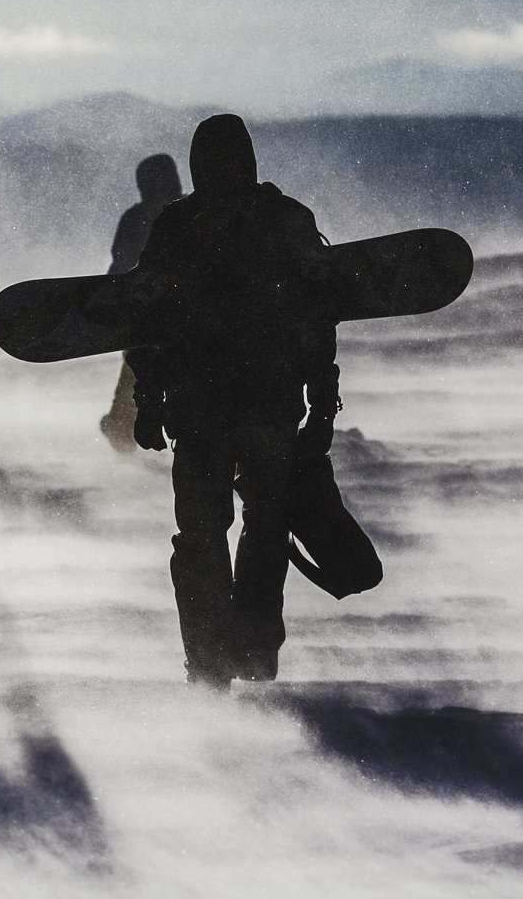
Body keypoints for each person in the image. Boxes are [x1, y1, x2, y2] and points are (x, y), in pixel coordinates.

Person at [126, 115, 336, 689]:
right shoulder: (283, 219)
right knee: (260, 526)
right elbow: (318, 319)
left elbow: (143, 317)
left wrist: (148, 399)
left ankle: (216, 664)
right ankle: (245, 655)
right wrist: (322, 405)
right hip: (253, 405)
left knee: (211, 533)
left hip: (211, 408)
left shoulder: (182, 224)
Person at [99, 153, 184, 451]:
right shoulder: (193, 211)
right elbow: (120, 268)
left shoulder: (140, 218)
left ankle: (121, 432)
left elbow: (119, 269)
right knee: (138, 377)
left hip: (152, 318)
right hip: (171, 317)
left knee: (137, 377)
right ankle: (122, 432)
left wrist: (111, 302)